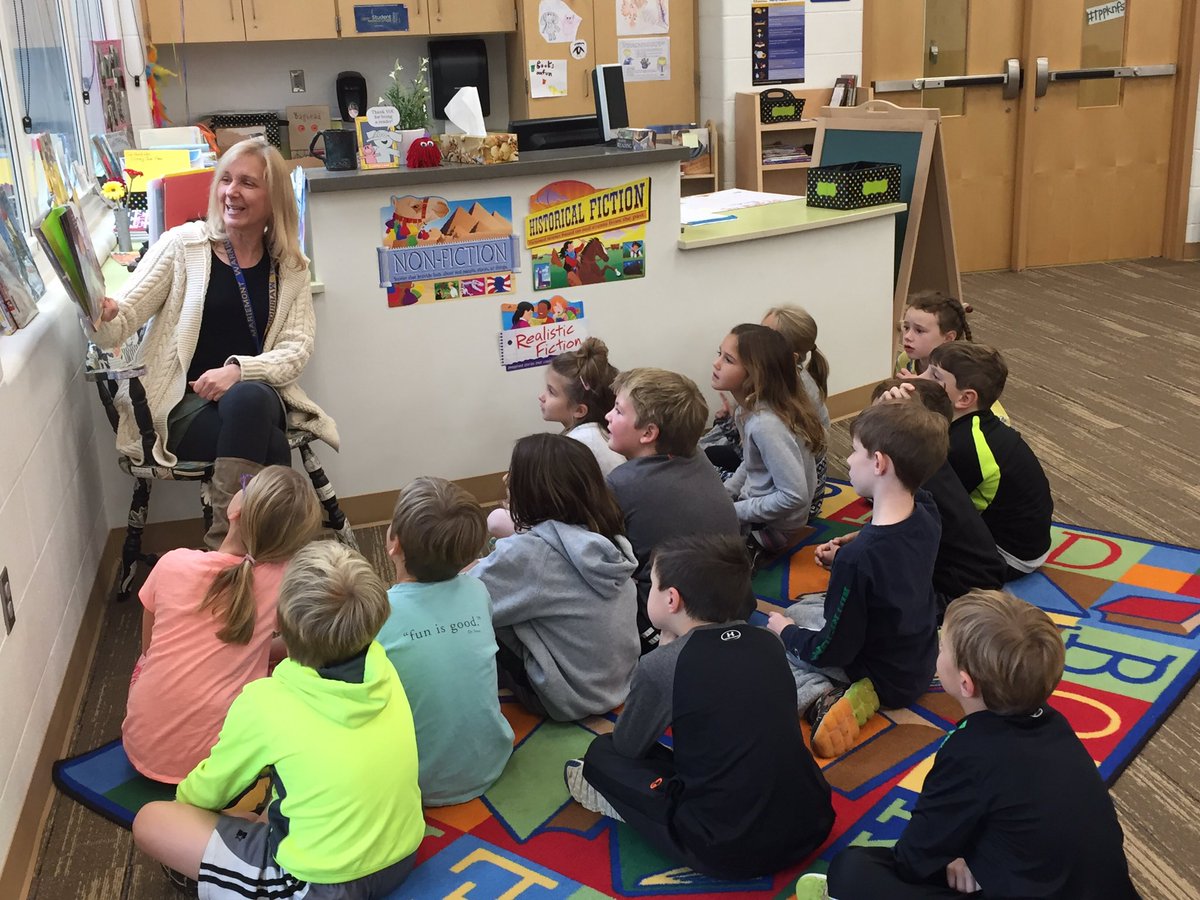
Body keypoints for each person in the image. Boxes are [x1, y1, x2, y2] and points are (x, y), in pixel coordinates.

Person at [131, 542, 424, 899]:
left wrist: (188, 809)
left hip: (316, 884)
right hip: (403, 854)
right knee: (275, 802)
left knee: (151, 820)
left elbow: (207, 792)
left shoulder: (264, 701)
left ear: (281, 622)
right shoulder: (384, 668)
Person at [95, 137, 337, 548]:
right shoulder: (183, 245)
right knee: (271, 440)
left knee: (249, 398)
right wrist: (101, 313)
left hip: (253, 401)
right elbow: (120, 323)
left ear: (273, 197)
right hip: (179, 408)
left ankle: (225, 548)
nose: (231, 192)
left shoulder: (290, 267)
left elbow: (295, 351)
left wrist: (238, 371)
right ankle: (267, 553)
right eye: (224, 180)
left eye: (246, 183)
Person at [822, 590, 1140, 900]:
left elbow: (912, 861)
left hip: (1031, 883)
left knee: (851, 871)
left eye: (942, 645)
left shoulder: (968, 755)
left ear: (965, 683)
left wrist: (953, 853)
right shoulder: (1054, 723)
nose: (937, 649)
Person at [566, 534, 833, 879]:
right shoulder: (767, 642)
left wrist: (662, 655)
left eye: (655, 586)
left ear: (672, 599)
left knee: (601, 754)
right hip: (811, 820)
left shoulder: (665, 665)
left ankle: (625, 808)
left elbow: (628, 747)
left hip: (726, 847)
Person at [766, 401, 945, 758]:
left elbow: (831, 650)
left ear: (879, 463)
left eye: (855, 451)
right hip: (922, 656)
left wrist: (784, 633)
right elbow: (892, 552)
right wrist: (856, 543)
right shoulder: (927, 512)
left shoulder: (858, 560)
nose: (847, 460)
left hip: (883, 676)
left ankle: (824, 697)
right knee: (806, 610)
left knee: (772, 645)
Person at [122, 466, 320, 783]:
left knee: (148, 664)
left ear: (235, 509)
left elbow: (148, 651)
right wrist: (268, 651)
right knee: (293, 676)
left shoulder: (172, 563)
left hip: (141, 747)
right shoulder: (283, 581)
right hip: (222, 765)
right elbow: (305, 647)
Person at [474, 433, 640, 721]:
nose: (505, 479)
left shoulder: (531, 553)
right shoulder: (605, 536)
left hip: (566, 697)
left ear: (534, 491)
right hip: (620, 681)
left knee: (464, 617)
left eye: (514, 473)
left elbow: (468, 598)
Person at [377, 476, 514, 806]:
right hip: (492, 760)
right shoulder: (477, 590)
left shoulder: (377, 614)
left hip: (416, 782)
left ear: (394, 543)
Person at [825, 378, 1005, 618]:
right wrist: (860, 537)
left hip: (963, 590)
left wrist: (843, 559)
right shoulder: (919, 468)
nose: (848, 458)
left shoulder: (920, 492)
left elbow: (897, 559)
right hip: (973, 571)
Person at [605, 367, 740, 654]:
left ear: (649, 433)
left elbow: (599, 559)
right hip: (733, 604)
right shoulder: (696, 454)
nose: (608, 416)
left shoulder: (620, 484)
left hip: (668, 620)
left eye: (617, 411)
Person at [924, 342, 1053, 580]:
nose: (921, 378)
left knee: (905, 555)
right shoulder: (973, 426)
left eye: (934, 375)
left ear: (965, 398)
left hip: (1009, 556)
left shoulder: (961, 447)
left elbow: (931, 512)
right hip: (1027, 542)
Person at [488, 337, 625, 538]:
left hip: (595, 530)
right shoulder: (589, 432)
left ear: (579, 410)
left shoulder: (582, 442)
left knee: (498, 519)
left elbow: (558, 506)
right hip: (593, 521)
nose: (541, 396)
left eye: (551, 392)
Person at [715, 324, 825, 551]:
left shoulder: (766, 424)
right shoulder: (746, 410)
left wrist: (734, 511)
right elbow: (751, 462)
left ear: (755, 373)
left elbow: (794, 497)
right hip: (758, 509)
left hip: (772, 529)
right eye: (719, 355)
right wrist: (726, 495)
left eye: (728, 360)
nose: (716, 364)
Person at [897, 290, 1008, 422]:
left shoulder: (962, 370)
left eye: (919, 330)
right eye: (906, 327)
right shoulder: (905, 360)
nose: (907, 337)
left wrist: (920, 389)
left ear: (948, 338)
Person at [763, 305, 832, 517]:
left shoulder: (793, 392)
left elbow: (768, 457)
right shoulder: (780, 378)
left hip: (799, 499)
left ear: (790, 357)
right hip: (795, 480)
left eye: (764, 337)